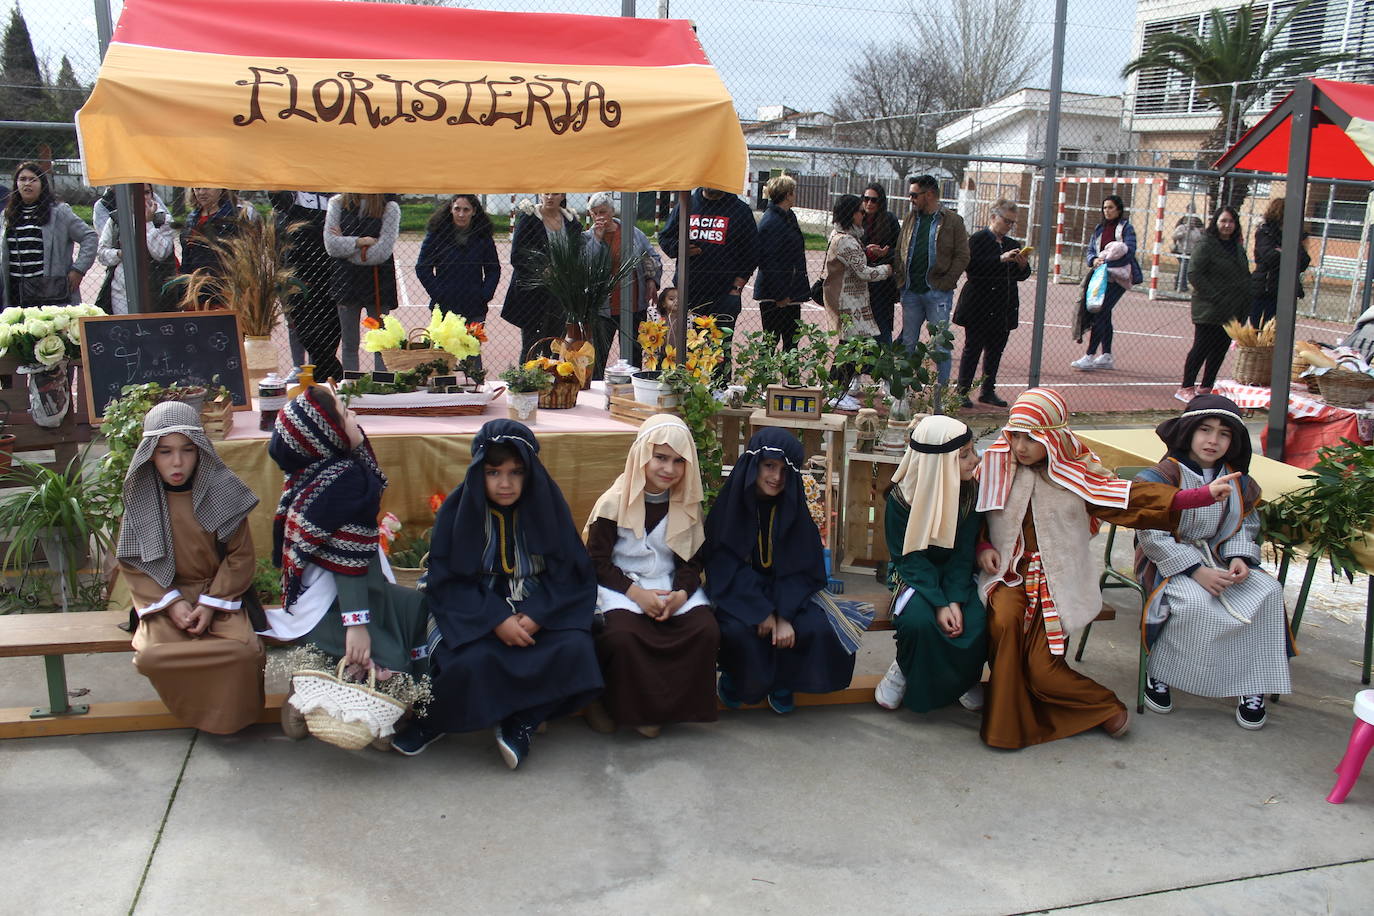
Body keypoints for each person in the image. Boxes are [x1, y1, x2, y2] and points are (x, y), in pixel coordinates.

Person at [974, 388, 1240, 749]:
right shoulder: (994, 467)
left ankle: (1103, 706)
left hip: (1058, 584)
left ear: (1053, 437)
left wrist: (1199, 495)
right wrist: (984, 546)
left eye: (1032, 438)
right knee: (1004, 622)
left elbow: (1132, 500)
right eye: (1015, 436)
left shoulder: (1079, 475)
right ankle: (1006, 723)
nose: (1021, 446)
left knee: (1042, 668)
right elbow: (969, 518)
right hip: (1008, 576)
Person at [396, 420, 603, 768]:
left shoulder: (548, 506)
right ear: (479, 471)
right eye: (493, 473)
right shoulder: (458, 511)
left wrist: (537, 614)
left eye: (515, 472)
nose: (504, 483)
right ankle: (435, 720)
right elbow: (448, 580)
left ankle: (523, 721)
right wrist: (496, 620)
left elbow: (571, 573)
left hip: (540, 601)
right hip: (475, 604)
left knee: (577, 649)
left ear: (530, 472)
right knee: (467, 661)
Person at [264, 387, 431, 738]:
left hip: (358, 589)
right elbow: (347, 564)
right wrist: (357, 624)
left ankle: (387, 710)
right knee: (385, 654)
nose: (354, 416)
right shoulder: (342, 483)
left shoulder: (320, 471)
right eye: (344, 412)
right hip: (335, 603)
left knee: (414, 607)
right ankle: (308, 701)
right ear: (330, 434)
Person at [1135, 394, 1293, 729]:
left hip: (1221, 556)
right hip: (1169, 560)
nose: (1213, 440)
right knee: (1196, 604)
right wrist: (1196, 570)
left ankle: (1252, 684)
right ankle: (1160, 673)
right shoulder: (1161, 477)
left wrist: (1239, 555)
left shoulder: (1239, 481)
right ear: (1188, 432)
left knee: (1267, 592)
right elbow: (1151, 535)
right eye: (1205, 430)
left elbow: (1245, 524)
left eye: (1224, 434)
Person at [116, 401, 264, 734]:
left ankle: (229, 718)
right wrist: (172, 603)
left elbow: (240, 557)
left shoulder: (222, 494)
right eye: (165, 451)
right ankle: (198, 712)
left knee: (243, 654)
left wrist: (211, 605)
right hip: (166, 597)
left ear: (201, 452)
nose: (177, 461)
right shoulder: (142, 500)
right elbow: (134, 561)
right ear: (150, 455)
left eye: (187, 450)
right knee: (152, 657)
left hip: (218, 596)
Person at [582, 415, 718, 737]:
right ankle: (608, 705)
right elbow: (597, 562)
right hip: (621, 586)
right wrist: (636, 594)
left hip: (670, 586)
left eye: (677, 461)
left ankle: (666, 710)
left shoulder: (686, 505)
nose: (668, 469)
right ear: (641, 455)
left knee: (704, 630)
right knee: (623, 637)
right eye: (660, 457)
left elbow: (692, 562)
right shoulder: (613, 503)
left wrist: (681, 595)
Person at [705, 428, 857, 712]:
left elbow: (804, 568)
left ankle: (785, 680)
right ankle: (735, 677)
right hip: (739, 591)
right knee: (739, 631)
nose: (776, 477)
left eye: (784, 470)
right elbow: (723, 566)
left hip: (788, 591)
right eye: (769, 466)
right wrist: (761, 610)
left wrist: (783, 614)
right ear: (754, 464)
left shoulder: (795, 509)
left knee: (814, 628)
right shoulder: (729, 508)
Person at [874, 415, 988, 714]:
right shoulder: (901, 500)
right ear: (939, 462)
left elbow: (964, 554)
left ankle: (962, 680)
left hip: (955, 574)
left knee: (975, 622)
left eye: (973, 451)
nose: (975, 461)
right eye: (963, 455)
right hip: (913, 575)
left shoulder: (970, 493)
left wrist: (953, 599)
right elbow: (908, 558)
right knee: (918, 622)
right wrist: (939, 603)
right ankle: (903, 667)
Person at [659, 186, 759, 381]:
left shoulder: (739, 210)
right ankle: (684, 392)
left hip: (723, 295)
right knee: (684, 350)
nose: (709, 185)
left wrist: (737, 286)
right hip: (688, 294)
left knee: (720, 354)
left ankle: (718, 394)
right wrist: (680, 248)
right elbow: (665, 237)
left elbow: (752, 251)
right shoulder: (687, 203)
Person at [953, 199, 1031, 409]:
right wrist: (1000, 259)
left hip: (1003, 306)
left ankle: (988, 391)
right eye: (1006, 221)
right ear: (994, 217)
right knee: (973, 348)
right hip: (979, 303)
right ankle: (962, 390)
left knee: (995, 350)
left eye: (1012, 223)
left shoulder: (1012, 243)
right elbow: (972, 268)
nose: (1009, 226)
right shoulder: (978, 239)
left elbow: (1021, 275)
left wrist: (1022, 266)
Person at [894, 175, 969, 388]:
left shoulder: (952, 220)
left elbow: (963, 255)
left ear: (929, 195)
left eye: (914, 195)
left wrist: (945, 283)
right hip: (911, 292)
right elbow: (901, 248)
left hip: (937, 293)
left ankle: (941, 393)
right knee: (908, 342)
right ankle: (902, 392)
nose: (911, 199)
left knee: (940, 345)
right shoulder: (911, 218)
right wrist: (901, 280)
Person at [1176, 207, 1251, 403]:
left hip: (1232, 309)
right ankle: (1186, 386)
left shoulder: (1237, 247)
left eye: (1231, 222)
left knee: (1220, 348)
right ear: (1216, 222)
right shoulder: (1206, 244)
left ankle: (1206, 386)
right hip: (1209, 309)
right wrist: (1215, 296)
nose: (1227, 225)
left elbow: (1243, 275)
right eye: (1223, 221)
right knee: (1201, 347)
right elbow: (1194, 273)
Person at [583, 191, 661, 377]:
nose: (599, 216)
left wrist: (651, 280)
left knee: (633, 354)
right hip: (603, 308)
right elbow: (584, 264)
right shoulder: (587, 237)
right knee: (598, 355)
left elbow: (652, 257)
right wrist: (597, 239)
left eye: (603, 211)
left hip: (634, 304)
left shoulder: (633, 233)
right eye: (595, 213)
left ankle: (632, 390)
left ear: (612, 211)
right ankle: (597, 392)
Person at [822, 193, 889, 411]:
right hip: (847, 301)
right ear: (852, 214)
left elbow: (854, 259)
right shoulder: (846, 240)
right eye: (860, 211)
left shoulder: (842, 235)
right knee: (849, 348)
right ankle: (835, 392)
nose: (864, 214)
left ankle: (837, 391)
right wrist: (887, 269)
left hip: (847, 298)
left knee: (851, 347)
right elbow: (863, 272)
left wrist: (868, 251)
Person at [1, 161, 97, 308]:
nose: (27, 184)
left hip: (50, 292)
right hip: (15, 292)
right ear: (16, 184)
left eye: (33, 179)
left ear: (42, 184)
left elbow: (89, 236)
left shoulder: (59, 212)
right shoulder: (6, 216)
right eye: (23, 179)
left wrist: (78, 270)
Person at [324, 193, 401, 373]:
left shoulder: (390, 206)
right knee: (349, 343)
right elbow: (331, 245)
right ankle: (352, 386)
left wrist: (348, 247)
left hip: (379, 282)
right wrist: (362, 242)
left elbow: (383, 251)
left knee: (381, 340)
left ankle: (381, 385)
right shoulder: (336, 203)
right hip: (345, 281)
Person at [270, 190, 342, 382]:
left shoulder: (340, 195)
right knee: (304, 329)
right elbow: (276, 194)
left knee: (332, 327)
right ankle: (330, 372)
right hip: (299, 274)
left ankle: (320, 375)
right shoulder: (293, 194)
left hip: (333, 269)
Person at [503, 193, 583, 360]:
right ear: (540, 194)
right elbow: (517, 255)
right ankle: (526, 382)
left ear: (562, 196)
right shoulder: (529, 219)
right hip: (533, 294)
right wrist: (541, 270)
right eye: (546, 192)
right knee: (531, 345)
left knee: (554, 344)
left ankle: (553, 381)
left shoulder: (571, 222)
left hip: (560, 292)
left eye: (555, 193)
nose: (550, 197)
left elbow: (578, 255)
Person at [1070, 195, 1141, 371]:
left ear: (1118, 209)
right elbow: (1091, 250)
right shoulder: (1099, 228)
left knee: (1099, 311)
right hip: (1101, 276)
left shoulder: (1126, 228)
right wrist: (1094, 260)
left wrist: (1108, 264)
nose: (1107, 211)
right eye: (1104, 208)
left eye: (1110, 207)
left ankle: (1089, 355)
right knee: (1105, 313)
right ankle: (1107, 355)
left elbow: (1129, 252)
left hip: (1118, 278)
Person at [415, 194, 501, 325]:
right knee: (443, 345)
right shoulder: (436, 233)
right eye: (457, 209)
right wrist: (438, 293)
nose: (461, 214)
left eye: (466, 210)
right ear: (451, 209)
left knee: (471, 345)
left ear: (474, 211)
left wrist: (484, 295)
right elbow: (422, 267)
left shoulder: (483, 236)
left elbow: (493, 269)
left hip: (474, 305)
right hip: (444, 305)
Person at [95, 185, 177, 314]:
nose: (142, 197)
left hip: (157, 289)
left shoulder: (164, 219)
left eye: (146, 193)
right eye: (135, 193)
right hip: (122, 289)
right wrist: (120, 254)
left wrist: (147, 223)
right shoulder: (116, 219)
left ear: (152, 195)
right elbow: (101, 254)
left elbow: (161, 253)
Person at [754, 175, 810, 352]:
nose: (795, 195)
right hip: (776, 295)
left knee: (791, 341)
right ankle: (764, 378)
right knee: (771, 340)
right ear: (787, 195)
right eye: (793, 192)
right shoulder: (771, 222)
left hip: (791, 291)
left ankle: (792, 379)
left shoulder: (788, 217)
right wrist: (780, 295)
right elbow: (769, 261)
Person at [179, 187, 256, 309]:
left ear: (221, 189)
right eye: (197, 188)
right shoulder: (191, 220)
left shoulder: (236, 217)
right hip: (197, 293)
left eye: (207, 187)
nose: (201, 192)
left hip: (229, 293)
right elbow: (186, 261)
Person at [1250, 196, 1312, 326]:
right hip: (1265, 289)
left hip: (1286, 291)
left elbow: (1304, 261)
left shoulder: (1294, 235)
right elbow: (1270, 257)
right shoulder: (1265, 232)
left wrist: (1283, 252)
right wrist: (1290, 254)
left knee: (1281, 331)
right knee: (1260, 330)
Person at [860, 182, 902, 346]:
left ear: (881, 202)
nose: (869, 203)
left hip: (882, 283)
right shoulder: (857, 218)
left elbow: (899, 250)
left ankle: (882, 364)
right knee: (860, 326)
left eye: (874, 200)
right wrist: (866, 251)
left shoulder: (889, 220)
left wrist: (886, 253)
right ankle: (859, 366)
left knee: (881, 326)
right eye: (866, 199)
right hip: (861, 281)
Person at [1171, 210, 1204, 292]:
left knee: (1185, 268)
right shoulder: (1182, 228)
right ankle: (1181, 285)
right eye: (1191, 221)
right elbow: (1174, 236)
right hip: (1181, 251)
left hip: (1191, 252)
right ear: (1186, 221)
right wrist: (1183, 233)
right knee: (1184, 267)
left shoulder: (1196, 230)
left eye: (1193, 221)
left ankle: (1180, 284)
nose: (1192, 223)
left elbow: (1198, 239)